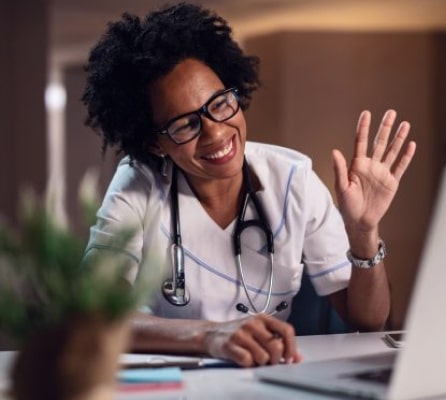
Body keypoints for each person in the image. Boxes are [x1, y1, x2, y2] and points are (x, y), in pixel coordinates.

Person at [81, 2, 416, 368]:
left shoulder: (293, 179)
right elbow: (95, 318)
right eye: (184, 125)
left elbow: (368, 321)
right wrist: (210, 336)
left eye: (220, 103)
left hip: (269, 378)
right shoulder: (138, 183)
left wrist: (364, 232)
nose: (216, 132)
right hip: (179, 384)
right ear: (153, 143)